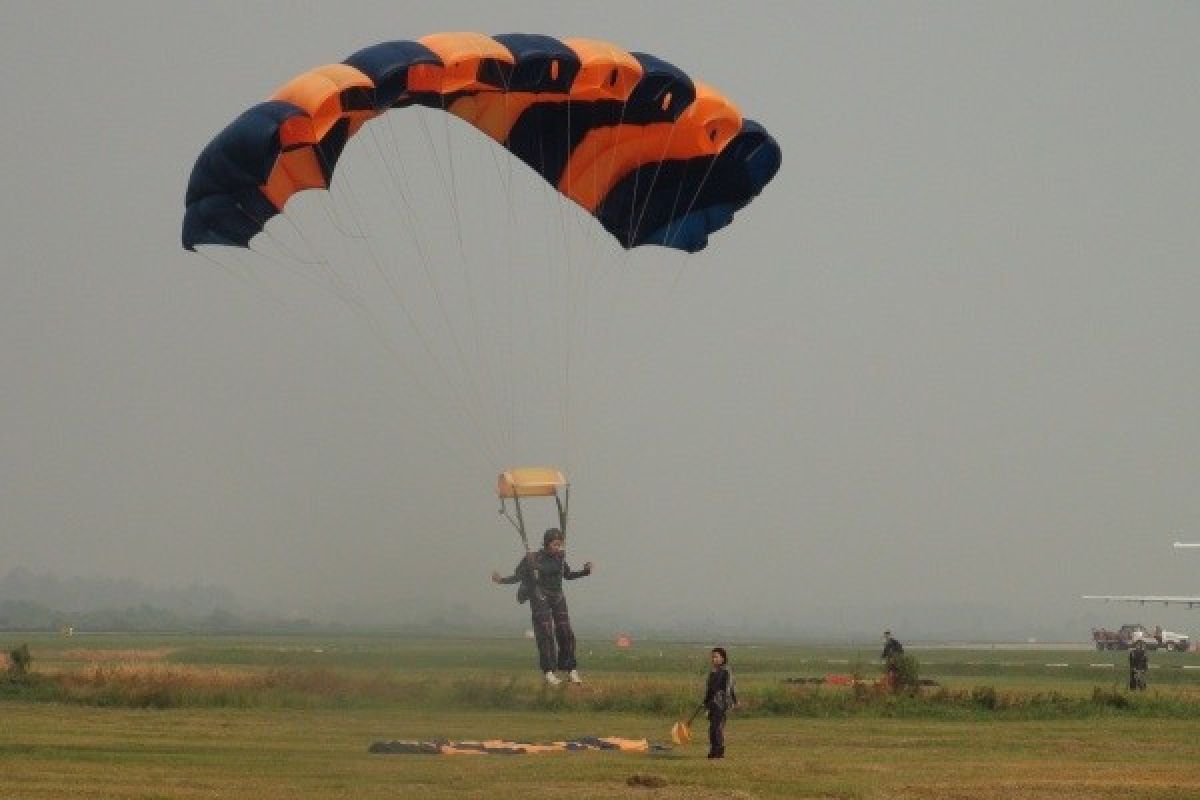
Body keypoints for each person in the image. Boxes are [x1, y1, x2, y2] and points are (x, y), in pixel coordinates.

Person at [491, 528, 592, 685]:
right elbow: (519, 576)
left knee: (565, 631)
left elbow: (568, 575)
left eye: (560, 545)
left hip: (557, 595)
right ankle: (549, 671)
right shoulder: (532, 558)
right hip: (539, 594)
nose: (557, 548)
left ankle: (570, 669)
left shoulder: (559, 558)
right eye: (554, 544)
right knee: (545, 631)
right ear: (547, 543)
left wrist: (585, 572)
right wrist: (501, 580)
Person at [702, 646, 737, 759]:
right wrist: (706, 702)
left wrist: (733, 701)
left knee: (717, 727)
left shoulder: (726, 671)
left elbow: (729, 688)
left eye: (716, 657)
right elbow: (709, 690)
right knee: (712, 728)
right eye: (712, 657)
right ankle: (714, 750)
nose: (713, 659)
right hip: (712, 703)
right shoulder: (713, 672)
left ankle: (719, 752)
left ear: (722, 658)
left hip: (721, 703)